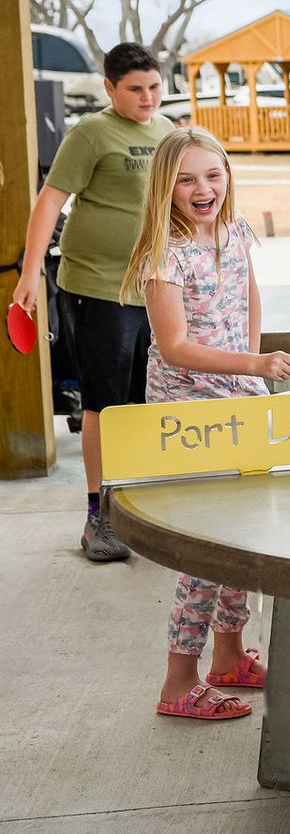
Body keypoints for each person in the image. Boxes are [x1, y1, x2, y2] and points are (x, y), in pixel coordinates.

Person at [123, 126, 290, 720]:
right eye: (187, 179)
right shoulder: (161, 255)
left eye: (213, 175)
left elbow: (247, 304)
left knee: (241, 541)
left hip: (235, 402)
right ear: (165, 187)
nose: (203, 189)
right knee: (205, 552)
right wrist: (255, 363)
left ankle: (228, 655)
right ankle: (178, 682)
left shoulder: (235, 231)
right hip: (186, 416)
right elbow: (173, 346)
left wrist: (248, 377)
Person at [9, 43, 172, 561]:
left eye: (153, 87)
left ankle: (142, 508)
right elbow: (50, 200)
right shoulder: (91, 133)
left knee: (149, 402)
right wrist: (31, 271)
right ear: (109, 88)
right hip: (99, 288)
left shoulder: (169, 132)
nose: (147, 98)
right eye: (134, 89)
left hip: (157, 288)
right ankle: (97, 518)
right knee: (105, 403)